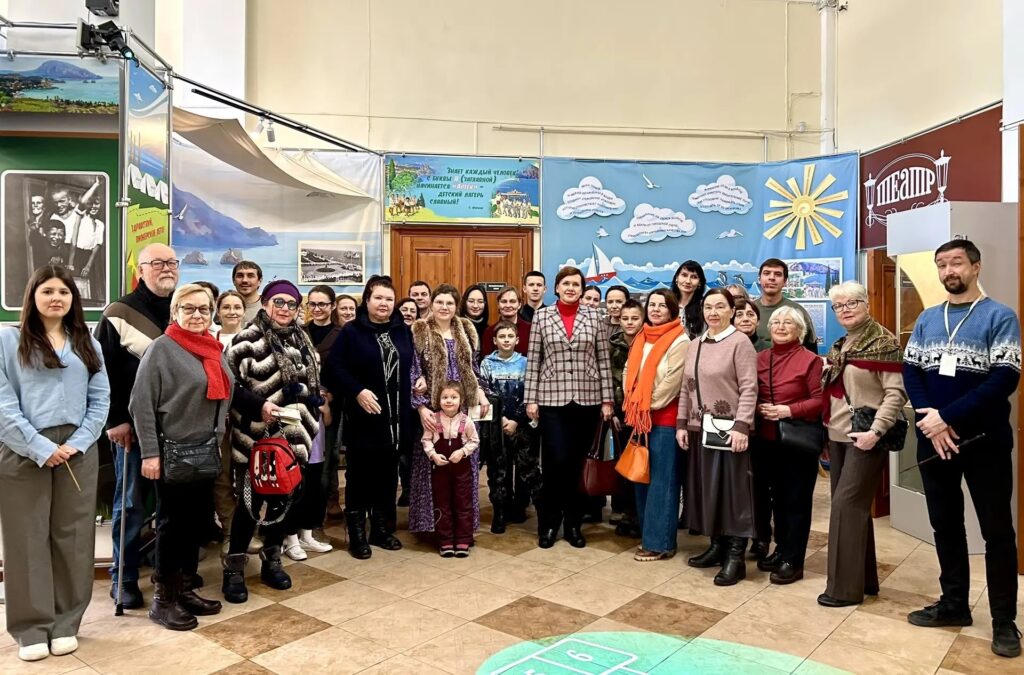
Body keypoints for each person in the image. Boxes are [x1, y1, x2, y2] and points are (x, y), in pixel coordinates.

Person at [902, 240, 1021, 658]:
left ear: (975, 266)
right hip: (934, 441)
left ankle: (1004, 620)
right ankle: (954, 604)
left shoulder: (999, 316)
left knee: (997, 531)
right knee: (945, 526)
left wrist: (946, 417)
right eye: (942, 264)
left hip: (983, 441)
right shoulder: (927, 318)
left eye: (956, 262)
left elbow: (1005, 378)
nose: (948, 270)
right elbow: (911, 370)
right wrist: (929, 418)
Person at [0, 266, 109, 662]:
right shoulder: (8, 340)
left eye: (64, 291)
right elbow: (2, 402)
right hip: (23, 449)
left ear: (73, 299)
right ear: (33, 296)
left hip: (77, 451)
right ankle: (31, 628)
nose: (56, 298)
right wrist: (38, 446)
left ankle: (66, 623)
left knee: (73, 538)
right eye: (47, 291)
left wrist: (77, 443)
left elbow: (101, 398)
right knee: (26, 538)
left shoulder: (86, 342)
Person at [130, 283, 230, 630]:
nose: (197, 315)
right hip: (172, 453)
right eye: (189, 308)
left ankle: (185, 589)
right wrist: (150, 454)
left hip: (205, 452)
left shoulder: (212, 348)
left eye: (204, 309)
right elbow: (140, 404)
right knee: (172, 527)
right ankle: (164, 599)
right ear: (175, 312)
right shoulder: (162, 348)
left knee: (195, 524)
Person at [222, 279, 324, 603]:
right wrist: (260, 405)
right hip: (256, 440)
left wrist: (312, 403)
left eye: (291, 304)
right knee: (248, 506)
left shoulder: (302, 339)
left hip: (295, 439)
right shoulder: (245, 340)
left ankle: (272, 560)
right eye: (278, 302)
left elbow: (312, 381)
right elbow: (229, 387)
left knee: (285, 503)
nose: (284, 309)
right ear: (265, 303)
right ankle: (234, 569)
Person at [95, 243, 179, 609]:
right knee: (130, 504)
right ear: (140, 270)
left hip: (177, 429)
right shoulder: (119, 313)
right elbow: (101, 372)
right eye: (157, 263)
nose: (167, 268)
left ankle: (168, 574)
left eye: (172, 262)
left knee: (171, 506)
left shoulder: (183, 310)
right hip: (131, 428)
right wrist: (115, 420)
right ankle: (124, 577)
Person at [817, 281, 906, 609]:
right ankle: (865, 580)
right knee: (853, 510)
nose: (845, 310)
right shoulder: (841, 344)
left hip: (867, 437)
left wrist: (877, 431)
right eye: (838, 306)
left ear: (866, 304)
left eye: (852, 303)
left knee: (845, 507)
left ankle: (842, 590)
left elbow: (896, 393)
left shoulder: (883, 342)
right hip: (839, 435)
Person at [525, 266, 614, 549]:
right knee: (556, 462)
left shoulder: (594, 316)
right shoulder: (542, 316)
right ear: (557, 288)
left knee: (577, 464)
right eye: (566, 284)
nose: (571, 288)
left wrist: (607, 399)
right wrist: (530, 399)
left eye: (576, 284)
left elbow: (603, 360)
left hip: (587, 399)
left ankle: (574, 524)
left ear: (582, 289)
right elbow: (534, 360)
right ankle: (549, 523)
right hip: (551, 399)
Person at [323, 276, 413, 559]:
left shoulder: (402, 330)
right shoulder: (351, 331)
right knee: (360, 476)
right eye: (378, 298)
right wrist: (357, 391)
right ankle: (357, 534)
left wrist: (418, 379)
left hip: (396, 418)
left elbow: (411, 364)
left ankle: (380, 530)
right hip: (364, 418)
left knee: (387, 475)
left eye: (389, 299)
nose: (384, 303)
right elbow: (333, 369)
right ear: (367, 300)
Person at [676, 288, 758, 586]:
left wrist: (742, 426)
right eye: (708, 307)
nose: (713, 312)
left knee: (733, 492)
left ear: (732, 311)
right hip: (699, 429)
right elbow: (686, 387)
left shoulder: (740, 343)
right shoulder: (695, 344)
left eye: (720, 307)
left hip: (729, 429)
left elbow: (749, 388)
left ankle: (736, 556)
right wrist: (682, 423)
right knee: (707, 490)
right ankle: (717, 545)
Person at [409, 284, 490, 537]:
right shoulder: (419, 330)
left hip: (463, 409)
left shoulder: (466, 329)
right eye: (440, 302)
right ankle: (434, 527)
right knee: (433, 467)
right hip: (434, 410)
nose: (444, 307)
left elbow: (474, 368)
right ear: (432, 304)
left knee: (464, 467)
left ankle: (463, 528)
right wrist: (421, 407)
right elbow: (413, 370)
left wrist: (481, 392)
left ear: (457, 306)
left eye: (450, 303)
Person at [752, 306, 823, 584]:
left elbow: (820, 400)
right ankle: (781, 549)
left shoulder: (810, 360)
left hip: (797, 442)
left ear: (799, 330)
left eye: (788, 323)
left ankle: (793, 560)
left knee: (796, 502)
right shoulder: (760, 358)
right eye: (776, 322)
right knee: (776, 501)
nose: (781, 327)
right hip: (765, 440)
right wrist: (758, 406)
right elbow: (749, 391)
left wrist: (788, 410)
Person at [622, 290, 689, 561]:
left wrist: (644, 405)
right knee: (642, 479)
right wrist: (631, 398)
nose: (656, 309)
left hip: (664, 421)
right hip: (640, 420)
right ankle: (649, 534)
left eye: (662, 305)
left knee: (663, 483)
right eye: (652, 305)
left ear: (672, 310)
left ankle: (660, 543)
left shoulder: (680, 340)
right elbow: (628, 370)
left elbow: (672, 384)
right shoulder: (642, 336)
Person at [480, 320, 538, 532]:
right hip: (497, 426)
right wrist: (501, 418)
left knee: (525, 469)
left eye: (510, 336)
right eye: (502, 337)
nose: (506, 340)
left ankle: (520, 507)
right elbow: (485, 393)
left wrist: (516, 420)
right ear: (495, 340)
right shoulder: (486, 364)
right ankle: (500, 512)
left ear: (517, 340)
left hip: (521, 425)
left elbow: (530, 394)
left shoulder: (526, 363)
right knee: (499, 470)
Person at [423, 382, 481, 556]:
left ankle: (463, 540)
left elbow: (474, 441)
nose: (449, 401)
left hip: (462, 470)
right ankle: (445, 541)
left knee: (463, 504)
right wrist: (433, 455)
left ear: (461, 400)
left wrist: (462, 452)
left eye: (453, 397)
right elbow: (426, 440)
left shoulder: (466, 421)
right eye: (445, 397)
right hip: (440, 470)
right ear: (438, 400)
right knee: (443, 504)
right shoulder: (433, 420)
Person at [306, 285, 346, 523]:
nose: (317, 308)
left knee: (328, 455)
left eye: (322, 304)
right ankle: (307, 507)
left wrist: (331, 394)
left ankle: (328, 500)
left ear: (332, 306)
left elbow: (347, 368)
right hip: (304, 404)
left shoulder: (343, 334)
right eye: (313, 304)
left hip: (333, 403)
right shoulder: (300, 332)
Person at [610, 299, 644, 536]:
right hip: (619, 413)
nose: (630, 323)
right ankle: (626, 512)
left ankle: (639, 515)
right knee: (623, 464)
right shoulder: (612, 345)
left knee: (641, 464)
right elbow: (606, 378)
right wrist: (611, 410)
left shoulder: (649, 343)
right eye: (625, 318)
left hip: (643, 413)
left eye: (635, 318)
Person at [753, 259, 817, 352]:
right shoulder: (749, 312)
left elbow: (811, 350)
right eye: (766, 273)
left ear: (785, 281)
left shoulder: (797, 311)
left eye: (778, 274)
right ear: (759, 279)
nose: (772, 278)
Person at [66, 197, 105, 301]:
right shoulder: (80, 218)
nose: (93, 207)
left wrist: (88, 265)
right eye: (91, 203)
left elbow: (98, 245)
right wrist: (70, 262)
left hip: (88, 257)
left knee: (86, 288)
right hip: (74, 254)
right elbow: (73, 240)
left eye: (96, 204)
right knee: (72, 285)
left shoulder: (100, 224)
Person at [482, 286, 531, 356]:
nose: (508, 305)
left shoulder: (530, 329)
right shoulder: (489, 332)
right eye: (504, 301)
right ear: (498, 304)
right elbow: (486, 359)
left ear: (519, 305)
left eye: (512, 301)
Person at [670, 260, 707, 339]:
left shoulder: (705, 307)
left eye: (694, 277)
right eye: (684, 275)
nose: (688, 281)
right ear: (677, 278)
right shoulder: (666, 304)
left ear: (700, 282)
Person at [460, 284, 490, 349]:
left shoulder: (488, 330)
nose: (475, 306)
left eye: (480, 301)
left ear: (485, 304)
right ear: (464, 302)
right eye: (471, 301)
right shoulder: (456, 326)